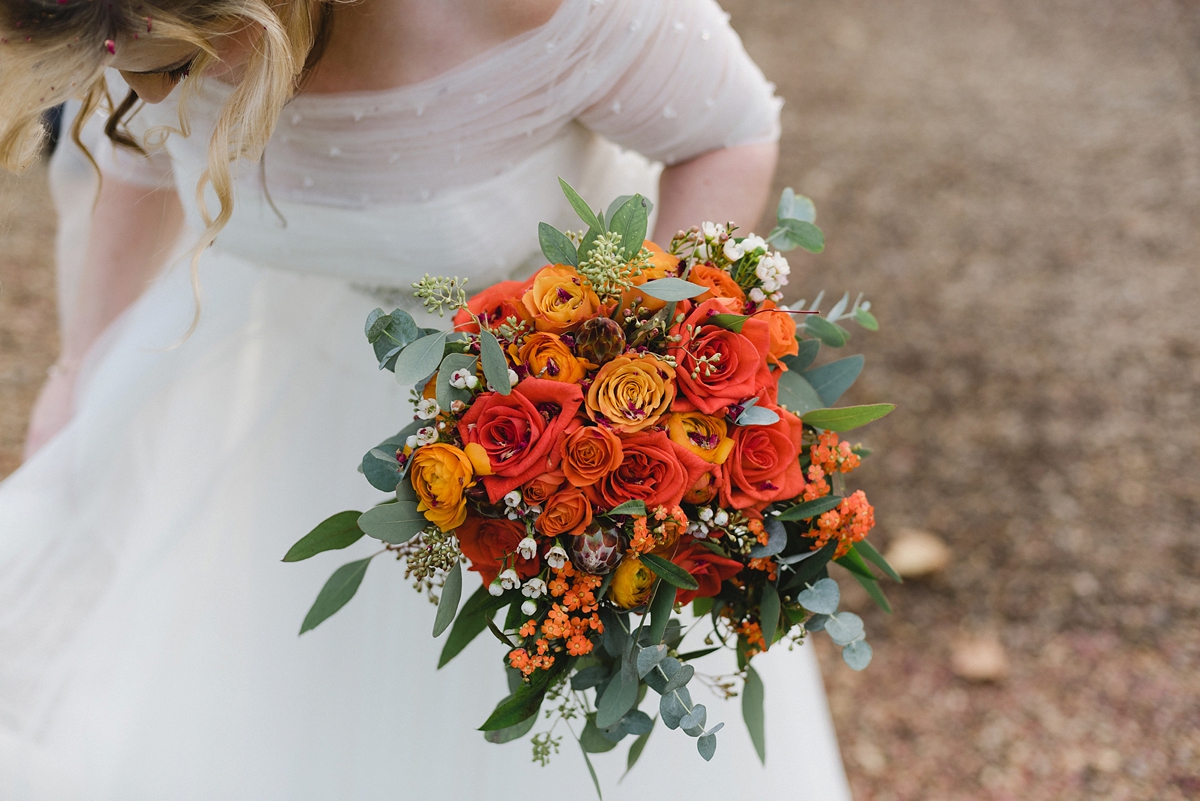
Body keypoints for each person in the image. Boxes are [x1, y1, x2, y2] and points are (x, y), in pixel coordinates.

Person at [0, 0, 853, 797]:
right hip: (278, 401)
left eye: (183, 58)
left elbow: (728, 130)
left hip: (529, 426)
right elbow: (135, 155)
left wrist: (636, 395)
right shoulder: (116, 17)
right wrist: (80, 372)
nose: (160, 87)